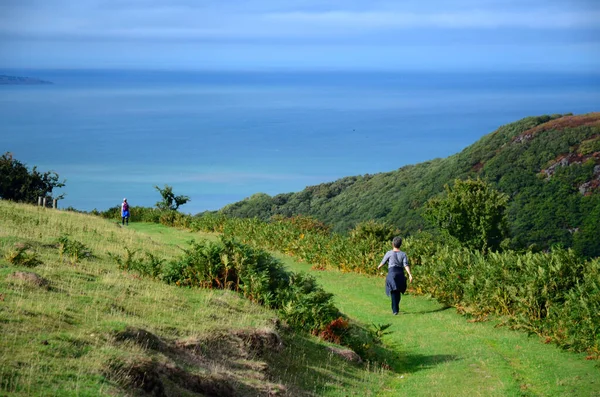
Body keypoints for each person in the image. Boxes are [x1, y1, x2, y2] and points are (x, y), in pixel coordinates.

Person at [377, 236, 413, 315]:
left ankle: (395, 310)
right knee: (398, 291)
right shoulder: (403, 254)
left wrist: (379, 266)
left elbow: (383, 261)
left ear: (393, 244)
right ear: (400, 245)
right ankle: (396, 308)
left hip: (392, 273)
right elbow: (406, 265)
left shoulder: (389, 253)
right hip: (400, 273)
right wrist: (410, 274)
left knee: (393, 290)